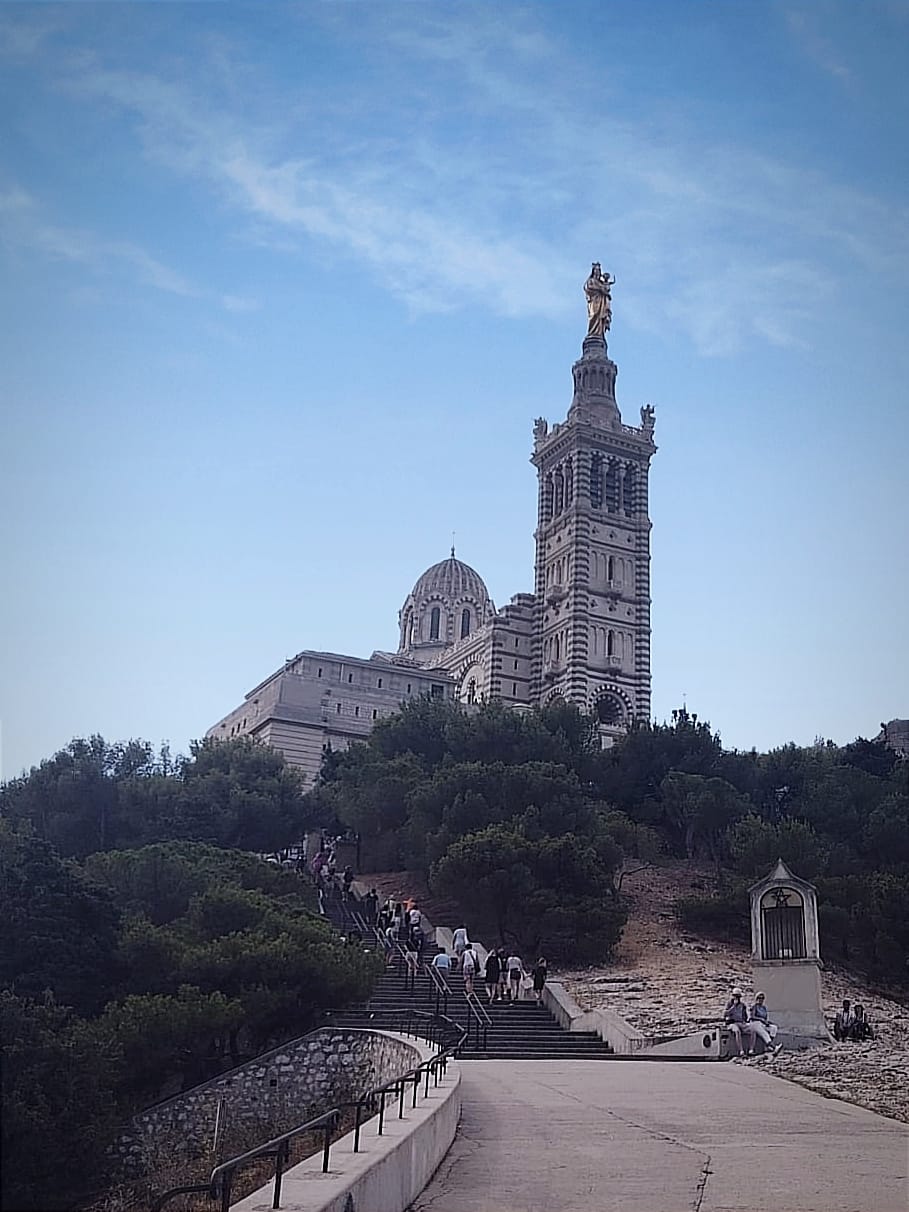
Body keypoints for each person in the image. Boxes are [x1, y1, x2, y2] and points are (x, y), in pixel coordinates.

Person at [723, 987, 754, 1055]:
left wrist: (746, 1020)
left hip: (740, 1022)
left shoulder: (742, 1005)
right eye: (736, 996)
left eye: (738, 997)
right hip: (732, 1023)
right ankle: (741, 1050)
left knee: (752, 1030)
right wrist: (733, 1007)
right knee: (737, 1031)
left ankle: (751, 1049)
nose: (737, 998)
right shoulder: (729, 1003)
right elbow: (725, 1014)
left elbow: (744, 1015)